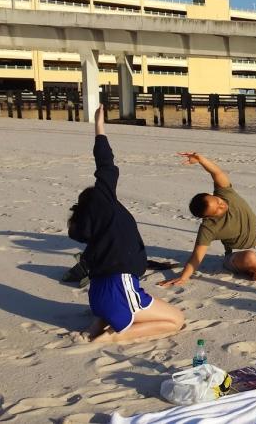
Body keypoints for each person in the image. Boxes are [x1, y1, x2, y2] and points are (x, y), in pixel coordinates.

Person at [68, 104, 184, 343]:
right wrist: (99, 128)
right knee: (176, 320)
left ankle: (98, 324)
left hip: (98, 295)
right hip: (119, 289)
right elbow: (105, 165)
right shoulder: (104, 204)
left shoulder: (91, 232)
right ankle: (111, 337)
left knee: (121, 307)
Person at [157, 152, 256, 286]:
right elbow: (196, 257)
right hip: (236, 256)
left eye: (218, 201)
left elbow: (216, 172)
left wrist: (201, 159)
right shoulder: (208, 227)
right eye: (218, 209)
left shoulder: (225, 194)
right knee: (250, 257)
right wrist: (184, 277)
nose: (222, 205)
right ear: (208, 216)